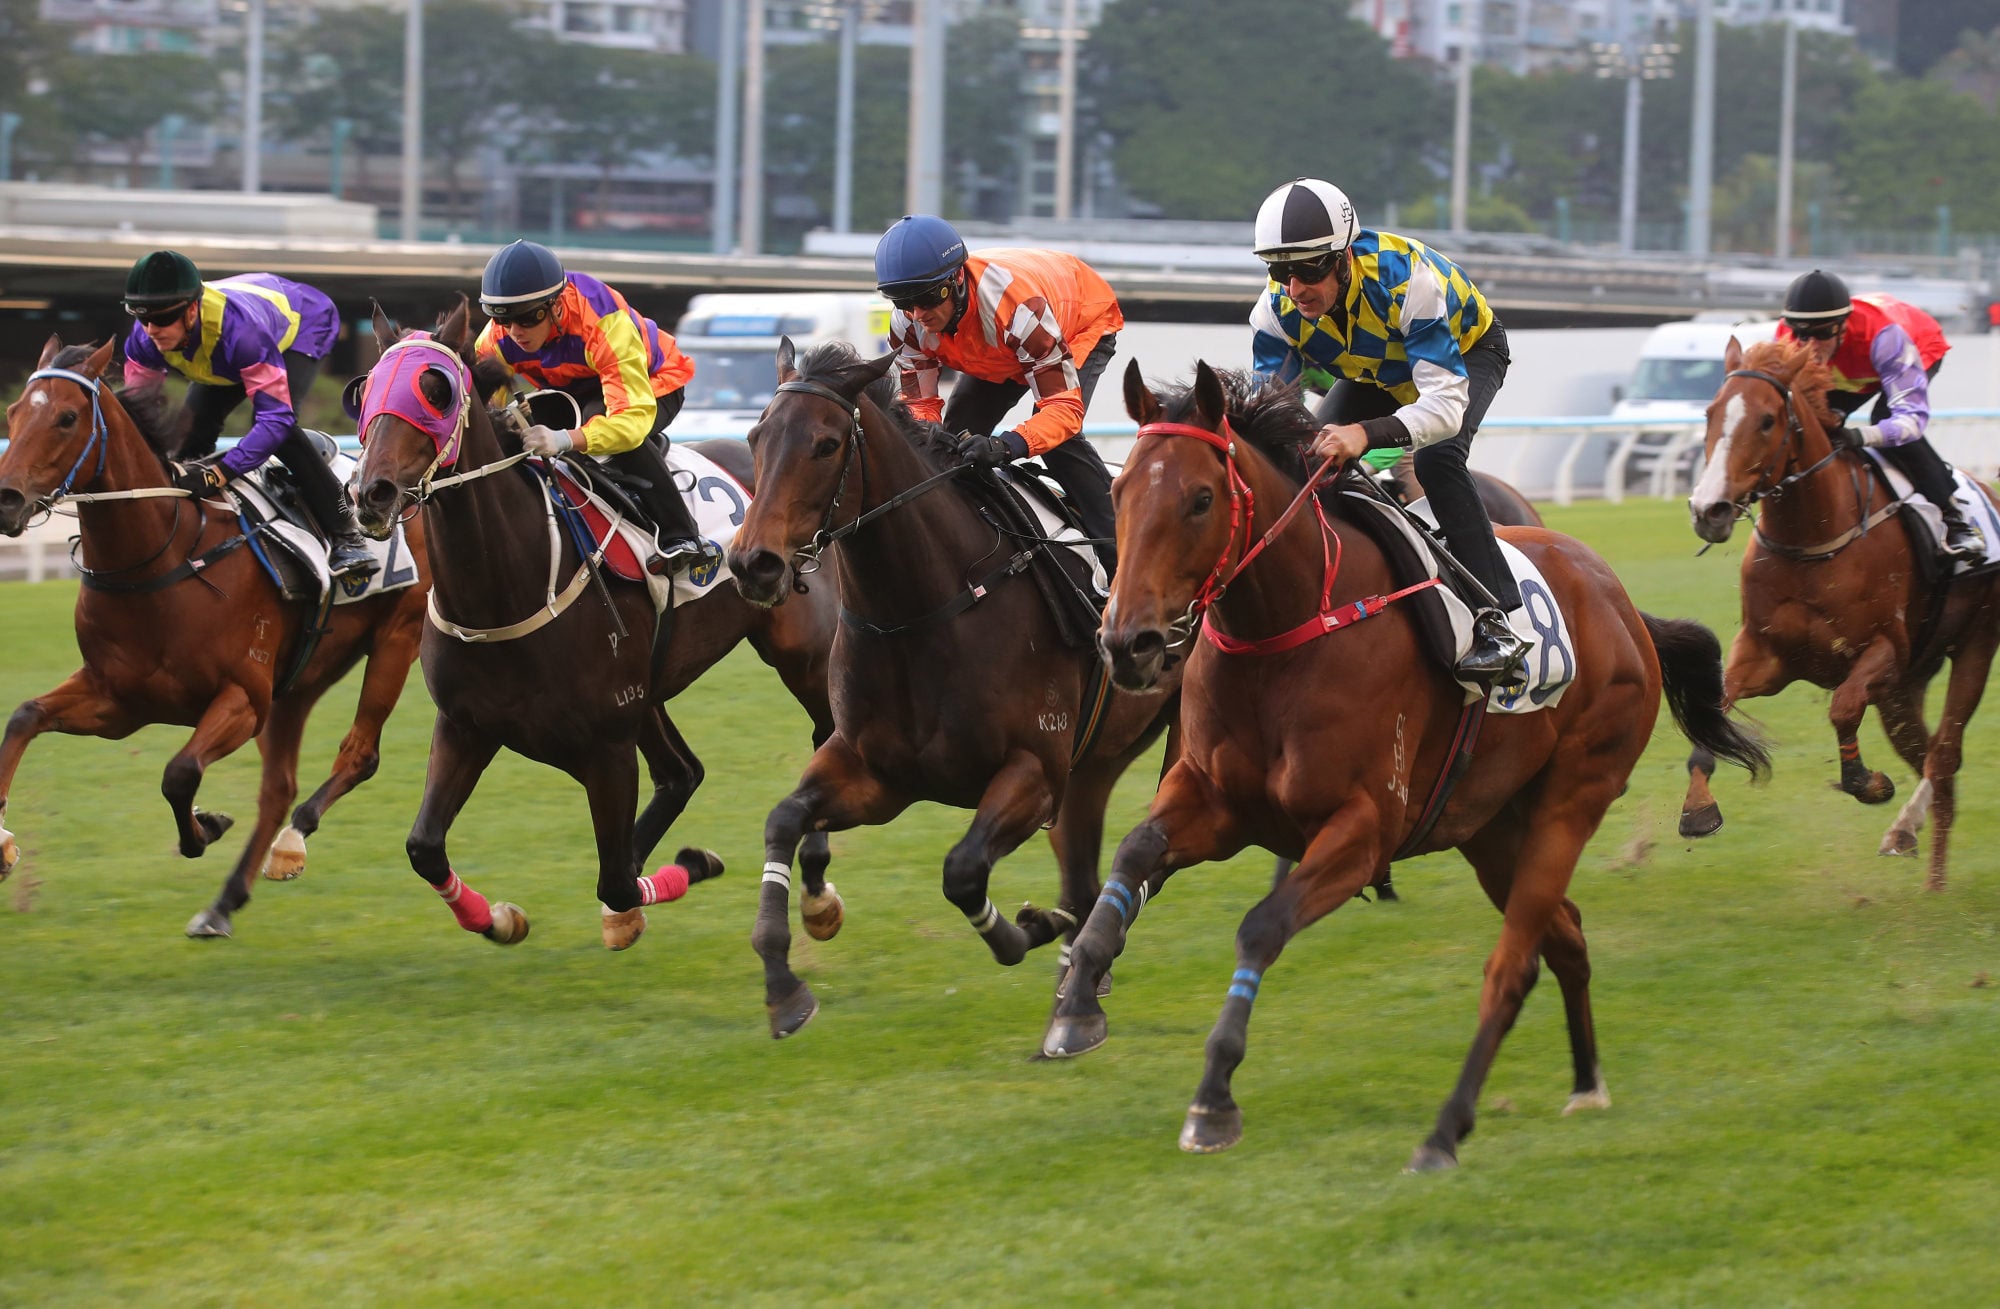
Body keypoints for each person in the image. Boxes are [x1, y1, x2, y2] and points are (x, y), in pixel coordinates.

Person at [1248, 177, 1525, 680]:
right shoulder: (1275, 311)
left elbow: (1444, 408)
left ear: (1343, 258)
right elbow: (1271, 415)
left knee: (1437, 457)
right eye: (1279, 270)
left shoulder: (1407, 281)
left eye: (1309, 269)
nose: (1295, 288)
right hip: (1377, 371)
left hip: (1466, 354)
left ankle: (1496, 619)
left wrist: (1364, 435)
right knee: (1304, 463)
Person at [875, 214, 1123, 579]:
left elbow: (1063, 409)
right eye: (903, 302)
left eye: (928, 297)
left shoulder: (1020, 311)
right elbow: (921, 407)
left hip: (1077, 322)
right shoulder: (907, 325)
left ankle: (1121, 558)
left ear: (958, 279)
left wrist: (1007, 446)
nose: (919, 314)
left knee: (1057, 444)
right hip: (1000, 345)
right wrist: (931, 439)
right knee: (948, 444)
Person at [121, 250, 378, 580]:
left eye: (162, 319)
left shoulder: (242, 334)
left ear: (192, 309)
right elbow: (140, 420)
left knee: (281, 433)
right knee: (189, 437)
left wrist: (219, 473)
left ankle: (347, 536)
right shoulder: (142, 339)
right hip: (235, 340)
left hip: (304, 323)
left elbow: (275, 420)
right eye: (142, 319)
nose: (151, 330)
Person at [473, 240, 713, 572]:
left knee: (601, 421)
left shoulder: (604, 322)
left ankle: (683, 536)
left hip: (652, 381)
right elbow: (483, 419)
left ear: (557, 305)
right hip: (575, 388)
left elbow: (628, 423)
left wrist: (565, 439)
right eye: (502, 318)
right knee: (517, 428)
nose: (515, 331)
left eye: (527, 318)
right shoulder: (495, 340)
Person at [1775, 269, 1983, 560]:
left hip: (1914, 346)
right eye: (1801, 334)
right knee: (1814, 425)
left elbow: (1911, 421)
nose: (1810, 345)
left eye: (1822, 333)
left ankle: (1955, 519)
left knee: (1885, 422)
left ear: (1842, 326)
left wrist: (1860, 437)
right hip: (1852, 362)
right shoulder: (1785, 340)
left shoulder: (1886, 337)